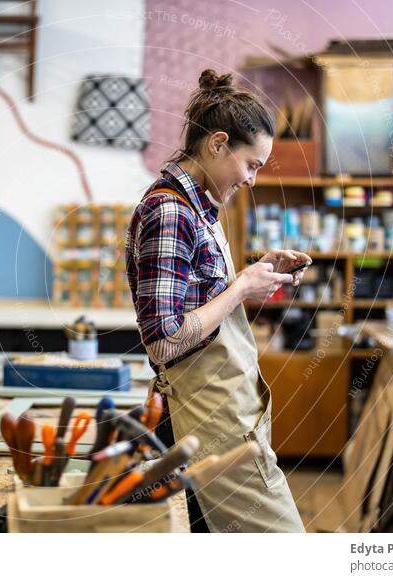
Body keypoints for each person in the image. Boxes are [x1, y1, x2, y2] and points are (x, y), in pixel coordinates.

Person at [125, 69, 311, 533]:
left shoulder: (201, 209)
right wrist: (242, 288)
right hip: (210, 420)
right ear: (218, 144)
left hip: (226, 414)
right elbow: (164, 343)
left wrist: (257, 270)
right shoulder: (170, 212)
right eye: (251, 164)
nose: (251, 179)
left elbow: (202, 304)